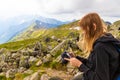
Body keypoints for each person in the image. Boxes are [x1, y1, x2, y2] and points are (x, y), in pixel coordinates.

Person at [65, 12, 120, 80]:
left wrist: (80, 65)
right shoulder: (106, 39)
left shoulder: (101, 47)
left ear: (94, 27)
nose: (83, 33)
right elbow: (93, 64)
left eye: (85, 29)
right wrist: (77, 58)